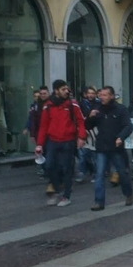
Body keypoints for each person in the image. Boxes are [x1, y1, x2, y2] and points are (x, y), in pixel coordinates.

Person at [35, 79, 87, 207]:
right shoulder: (48, 106)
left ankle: (66, 196)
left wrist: (81, 137)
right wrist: (40, 144)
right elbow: (43, 126)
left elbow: (81, 121)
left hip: (68, 141)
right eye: (63, 89)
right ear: (56, 91)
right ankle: (57, 190)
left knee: (66, 168)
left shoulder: (72, 105)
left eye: (66, 89)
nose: (66, 91)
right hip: (52, 140)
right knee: (49, 166)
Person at [85, 86, 133, 211]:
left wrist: (120, 137)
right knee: (100, 174)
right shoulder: (97, 109)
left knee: (122, 173)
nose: (102, 97)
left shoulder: (121, 109)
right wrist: (90, 117)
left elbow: (128, 126)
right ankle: (99, 202)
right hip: (101, 147)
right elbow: (88, 126)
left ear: (112, 96)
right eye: (100, 95)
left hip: (116, 147)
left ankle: (128, 193)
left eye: (105, 95)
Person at [77, 86, 99, 183]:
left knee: (94, 155)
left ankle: (95, 172)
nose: (90, 95)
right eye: (89, 93)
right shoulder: (81, 104)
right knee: (82, 154)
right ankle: (82, 172)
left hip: (94, 131)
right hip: (84, 130)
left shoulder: (98, 103)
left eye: (92, 93)